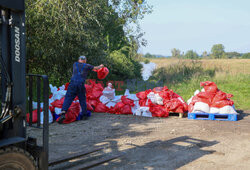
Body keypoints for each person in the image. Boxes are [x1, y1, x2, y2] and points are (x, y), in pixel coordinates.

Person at [58, 55, 104, 124]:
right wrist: (101, 66)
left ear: (79, 60)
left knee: (68, 98)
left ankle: (63, 113)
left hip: (72, 84)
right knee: (82, 99)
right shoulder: (87, 66)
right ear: (85, 60)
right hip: (80, 85)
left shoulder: (75, 64)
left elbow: (89, 69)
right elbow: (95, 68)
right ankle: (84, 115)